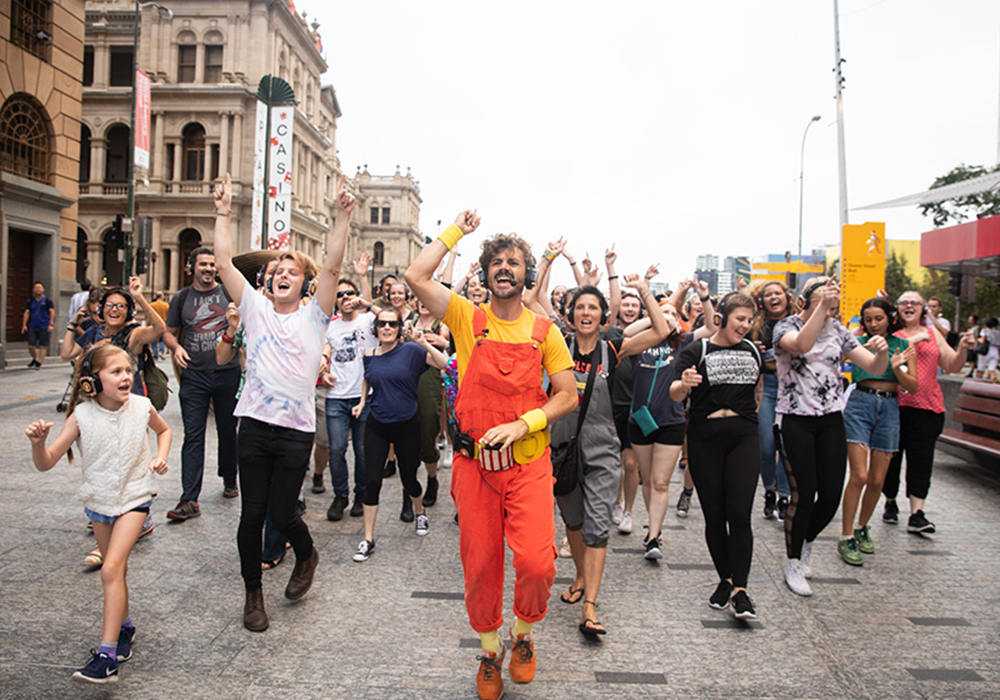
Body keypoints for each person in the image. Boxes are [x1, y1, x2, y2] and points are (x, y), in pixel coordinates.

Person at [405, 212, 576, 700]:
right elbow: (416, 275)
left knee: (538, 563)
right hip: (475, 467)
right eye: (496, 262)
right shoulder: (465, 317)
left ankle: (522, 636)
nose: (505, 268)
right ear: (485, 272)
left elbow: (567, 395)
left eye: (514, 262)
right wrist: (456, 232)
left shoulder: (545, 331)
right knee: (480, 565)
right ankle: (489, 651)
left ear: (526, 273)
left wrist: (526, 422)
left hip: (528, 465)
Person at [213, 172, 353, 632]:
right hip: (253, 425)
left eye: (291, 272)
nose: (282, 276)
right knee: (251, 515)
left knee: (282, 512)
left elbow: (331, 268)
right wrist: (222, 212)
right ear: (267, 282)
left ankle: (306, 553)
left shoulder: (316, 316)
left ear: (305, 284)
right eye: (276, 273)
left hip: (294, 432)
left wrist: (343, 216)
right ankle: (253, 595)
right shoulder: (254, 309)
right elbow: (223, 263)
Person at [25, 344, 171, 683]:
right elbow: (47, 462)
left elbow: (164, 430)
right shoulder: (81, 416)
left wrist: (160, 457)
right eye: (116, 372)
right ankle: (125, 627)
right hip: (99, 502)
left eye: (128, 370)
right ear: (93, 380)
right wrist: (38, 444)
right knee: (117, 571)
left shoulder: (141, 406)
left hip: (135, 497)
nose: (126, 377)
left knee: (110, 569)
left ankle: (106, 658)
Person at [554, 275, 667, 637]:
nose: (586, 313)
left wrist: (644, 290)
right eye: (580, 307)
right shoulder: (557, 346)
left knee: (597, 524)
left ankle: (590, 606)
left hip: (602, 449)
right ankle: (580, 577)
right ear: (571, 315)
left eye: (593, 307)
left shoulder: (614, 349)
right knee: (573, 519)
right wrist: (549, 260)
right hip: (562, 448)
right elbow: (531, 302)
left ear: (603, 315)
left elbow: (661, 331)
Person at [774, 277, 888, 596]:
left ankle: (806, 541)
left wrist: (881, 352)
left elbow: (873, 367)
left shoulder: (838, 330)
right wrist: (821, 306)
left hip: (831, 419)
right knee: (804, 492)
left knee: (830, 495)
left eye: (833, 304)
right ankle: (793, 561)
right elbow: (801, 345)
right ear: (803, 302)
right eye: (823, 302)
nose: (829, 309)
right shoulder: (786, 326)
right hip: (795, 418)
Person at [670, 293, 763, 619]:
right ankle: (726, 579)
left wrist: (750, 417)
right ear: (722, 317)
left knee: (739, 512)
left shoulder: (752, 350)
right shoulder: (698, 350)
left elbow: (758, 389)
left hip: (743, 436)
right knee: (715, 514)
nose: (746, 325)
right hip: (705, 437)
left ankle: (741, 590)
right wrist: (684, 384)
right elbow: (674, 392)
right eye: (740, 319)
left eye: (750, 320)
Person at [349, 308, 448, 559]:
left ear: (399, 328)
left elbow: (444, 364)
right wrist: (362, 401)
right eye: (382, 323)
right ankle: (368, 539)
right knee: (372, 481)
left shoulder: (411, 351)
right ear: (376, 328)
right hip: (377, 425)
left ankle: (420, 512)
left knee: (409, 479)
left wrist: (423, 342)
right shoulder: (369, 354)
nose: (386, 328)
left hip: (406, 425)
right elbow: (368, 378)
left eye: (392, 324)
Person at [881, 290, 974, 533]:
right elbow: (886, 365)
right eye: (904, 302)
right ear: (897, 308)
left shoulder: (933, 334)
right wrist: (914, 341)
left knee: (921, 460)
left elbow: (952, 364)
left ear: (923, 308)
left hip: (926, 407)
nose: (909, 306)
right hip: (895, 406)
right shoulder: (892, 335)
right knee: (891, 459)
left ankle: (917, 513)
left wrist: (963, 349)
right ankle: (890, 500)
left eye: (914, 302)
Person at [163, 246, 242, 518]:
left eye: (212, 264)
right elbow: (169, 332)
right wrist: (176, 347)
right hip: (194, 376)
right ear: (191, 268)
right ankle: (189, 499)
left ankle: (229, 477)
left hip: (228, 373)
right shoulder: (181, 298)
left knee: (227, 431)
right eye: (203, 264)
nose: (208, 269)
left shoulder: (229, 294)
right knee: (193, 436)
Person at [838, 297, 917, 566]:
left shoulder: (903, 346)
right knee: (859, 475)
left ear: (889, 318)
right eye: (868, 319)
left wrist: (896, 368)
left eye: (878, 318)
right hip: (860, 403)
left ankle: (862, 527)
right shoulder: (857, 343)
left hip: (890, 407)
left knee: (877, 480)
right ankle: (846, 535)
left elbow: (913, 386)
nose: (873, 324)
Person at [322, 276, 377, 521]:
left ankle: (360, 494)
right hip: (336, 396)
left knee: (363, 451)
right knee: (336, 449)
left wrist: (366, 301)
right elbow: (322, 352)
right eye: (340, 294)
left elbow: (392, 317)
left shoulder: (368, 320)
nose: (345, 297)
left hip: (364, 396)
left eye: (349, 293)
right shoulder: (329, 326)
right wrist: (323, 372)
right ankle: (340, 495)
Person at [749, 280, 795, 522]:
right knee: (767, 445)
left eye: (778, 293)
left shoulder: (798, 323)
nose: (773, 297)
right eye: (768, 295)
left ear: (787, 297)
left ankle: (784, 496)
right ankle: (769, 489)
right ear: (762, 301)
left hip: (794, 387)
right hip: (766, 386)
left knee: (787, 445)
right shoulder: (756, 326)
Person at [409, 297, 451, 511]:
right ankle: (408, 491)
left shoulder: (441, 326)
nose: (424, 302)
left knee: (428, 433)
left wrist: (442, 342)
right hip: (406, 381)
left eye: (428, 298)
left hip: (430, 382)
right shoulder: (407, 321)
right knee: (407, 439)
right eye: (420, 299)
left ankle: (432, 480)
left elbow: (449, 354)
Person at [22, 281, 55, 368]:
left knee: (42, 345)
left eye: (40, 287)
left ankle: (39, 362)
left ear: (43, 289)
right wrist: (24, 325)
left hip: (44, 325)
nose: (38, 289)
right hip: (33, 325)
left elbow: (52, 312)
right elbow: (27, 312)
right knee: (30, 345)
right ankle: (35, 358)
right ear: (33, 290)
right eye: (36, 288)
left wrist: (51, 324)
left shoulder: (47, 300)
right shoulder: (30, 301)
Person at [976, 318, 1000, 382]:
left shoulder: (985, 331)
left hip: (986, 351)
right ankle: (994, 381)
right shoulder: (998, 332)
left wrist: (977, 339)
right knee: (992, 370)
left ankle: (977, 383)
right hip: (995, 351)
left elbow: (982, 340)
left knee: (981, 370)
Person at [149, 292, 169, 359]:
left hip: (153, 325)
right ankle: (161, 351)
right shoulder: (166, 305)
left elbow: (148, 315)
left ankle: (155, 354)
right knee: (162, 340)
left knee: (154, 340)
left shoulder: (151, 305)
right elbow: (169, 316)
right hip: (163, 324)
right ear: (162, 297)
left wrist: (148, 323)